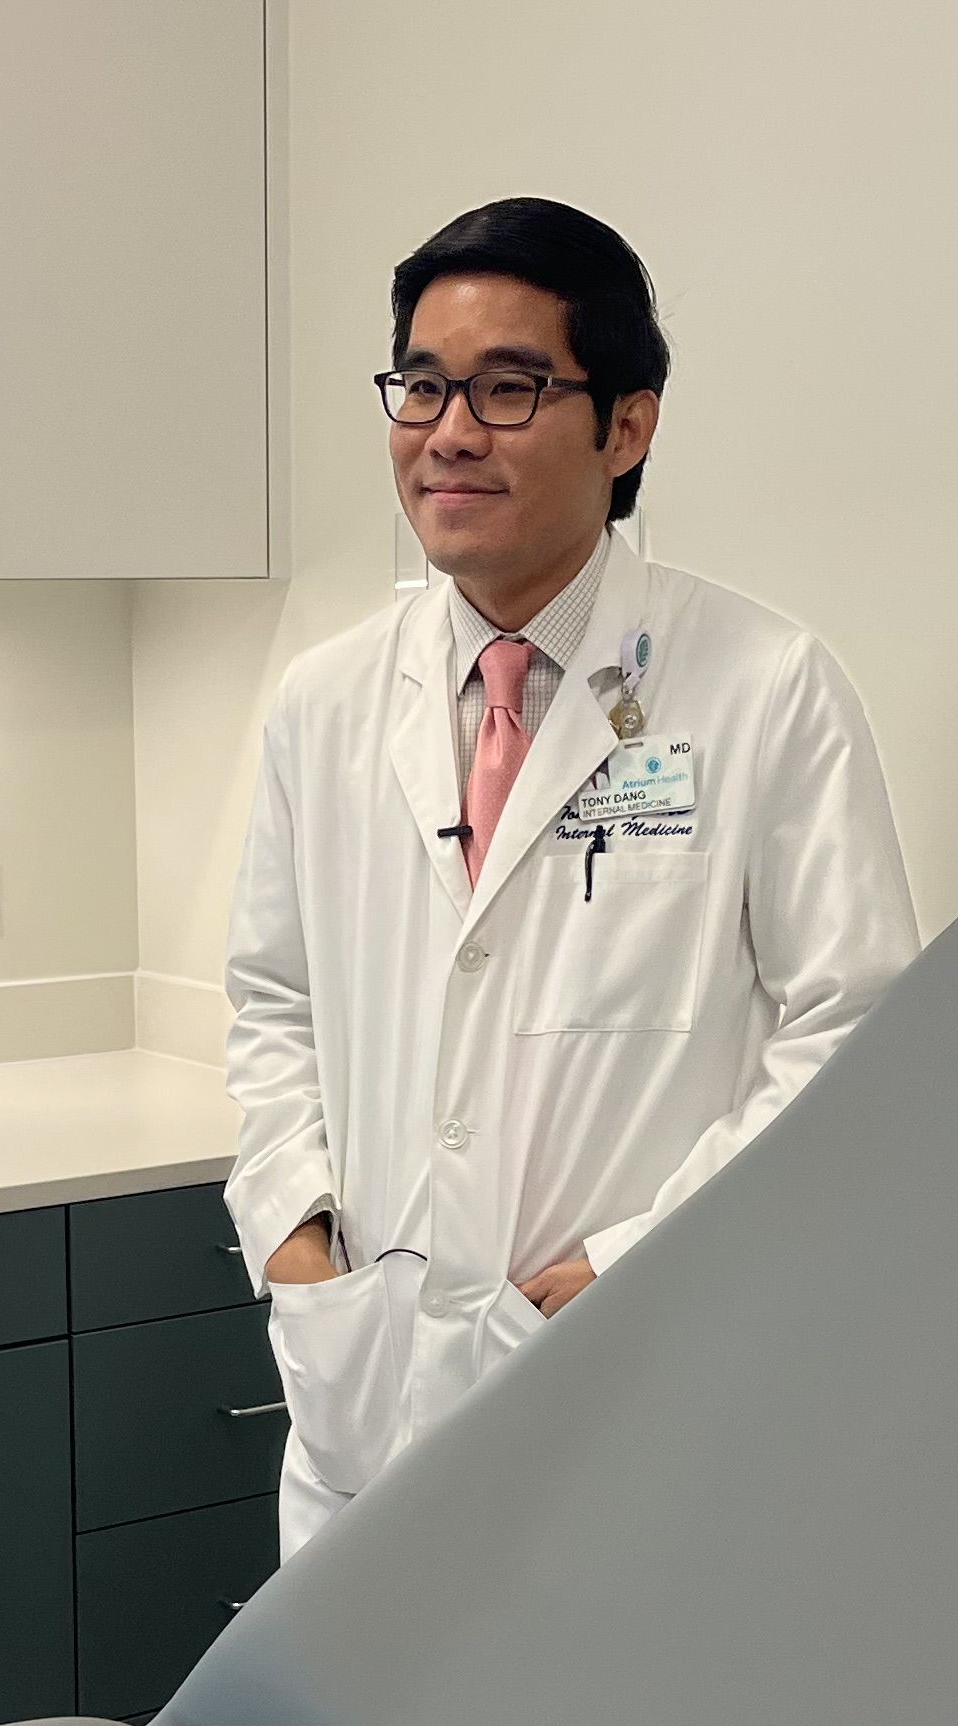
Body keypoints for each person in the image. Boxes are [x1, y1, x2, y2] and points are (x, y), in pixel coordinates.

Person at [225, 197, 921, 1552]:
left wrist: (625, 1270)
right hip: (365, 1389)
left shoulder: (768, 688)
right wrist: (296, 1239)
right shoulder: (326, 700)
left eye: (508, 387)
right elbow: (271, 999)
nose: (449, 431)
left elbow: (858, 1041)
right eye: (422, 385)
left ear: (629, 425)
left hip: (641, 1381)